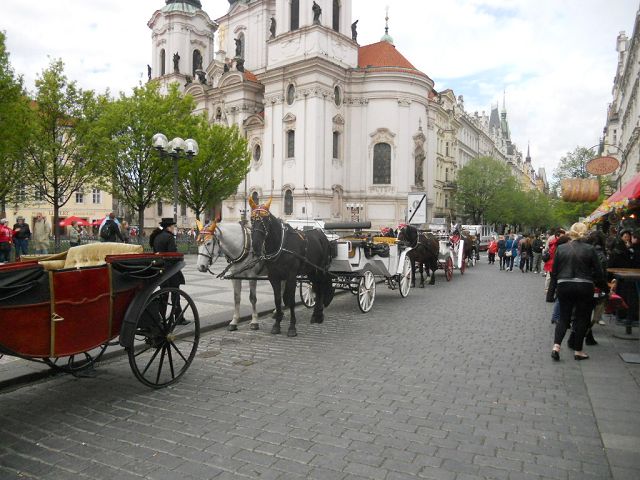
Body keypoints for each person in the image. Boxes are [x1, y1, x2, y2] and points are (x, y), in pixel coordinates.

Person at [548, 223, 606, 362]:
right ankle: (578, 351)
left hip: (564, 285)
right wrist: (604, 287)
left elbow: (554, 272)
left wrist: (551, 293)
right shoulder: (590, 249)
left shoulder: (561, 248)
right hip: (584, 286)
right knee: (582, 318)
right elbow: (598, 273)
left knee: (563, 317)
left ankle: (556, 347)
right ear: (585, 233)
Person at [150, 218, 188, 325]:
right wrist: (180, 258)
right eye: (173, 226)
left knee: (164, 295)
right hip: (171, 270)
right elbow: (173, 254)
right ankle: (178, 318)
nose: (174, 228)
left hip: (161, 269)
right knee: (175, 294)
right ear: (169, 227)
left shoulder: (157, 237)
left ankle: (161, 318)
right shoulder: (169, 237)